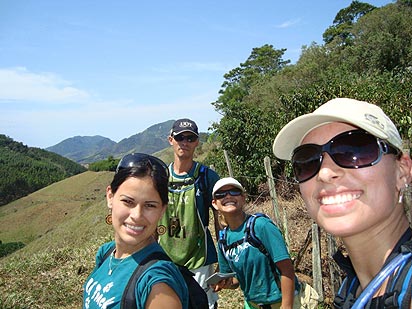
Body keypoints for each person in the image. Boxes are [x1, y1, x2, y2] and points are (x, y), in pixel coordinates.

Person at [273, 98, 412, 308]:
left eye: (354, 151)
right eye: (308, 161)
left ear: (402, 171)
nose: (325, 173)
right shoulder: (351, 288)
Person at [83, 153, 188, 309]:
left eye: (150, 205)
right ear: (110, 197)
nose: (137, 216)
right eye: (128, 201)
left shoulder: (158, 282)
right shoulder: (106, 253)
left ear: (162, 210)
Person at [210, 177, 302, 309]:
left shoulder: (261, 226)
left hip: (281, 302)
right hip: (252, 305)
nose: (228, 196)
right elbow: (236, 281)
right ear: (214, 203)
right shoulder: (224, 240)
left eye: (234, 192)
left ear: (243, 198)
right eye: (221, 194)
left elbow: (287, 269)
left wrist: (286, 306)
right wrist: (226, 284)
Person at [157, 118, 221, 309]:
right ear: (171, 140)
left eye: (190, 138)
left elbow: (221, 219)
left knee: (202, 304)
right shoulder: (160, 177)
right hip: (165, 256)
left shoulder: (207, 177)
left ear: (196, 143)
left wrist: (224, 259)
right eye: (180, 137)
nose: (184, 142)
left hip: (199, 258)